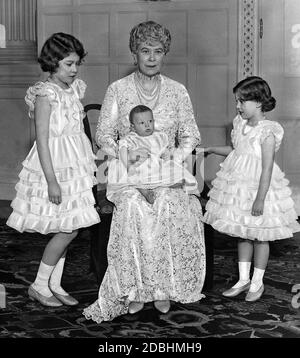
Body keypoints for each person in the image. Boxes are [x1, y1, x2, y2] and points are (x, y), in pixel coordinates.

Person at [83, 20, 206, 322]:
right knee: (136, 206)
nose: (151, 57)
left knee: (167, 201)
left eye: (158, 51)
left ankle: (163, 287)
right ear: (134, 53)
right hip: (129, 172)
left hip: (166, 170)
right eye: (145, 50)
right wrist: (126, 155)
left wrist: (172, 159)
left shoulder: (178, 91)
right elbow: (104, 136)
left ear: (165, 54)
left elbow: (190, 134)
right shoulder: (119, 90)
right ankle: (135, 289)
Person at [6, 32, 100, 307]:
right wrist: (52, 181)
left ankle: (54, 284)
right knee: (68, 229)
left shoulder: (73, 88)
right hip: (55, 166)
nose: (74, 69)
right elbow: (42, 140)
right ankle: (38, 285)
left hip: (74, 163)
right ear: (52, 62)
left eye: (77, 64)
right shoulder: (45, 94)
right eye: (69, 64)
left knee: (69, 224)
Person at [203, 76, 300, 302]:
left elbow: (266, 169)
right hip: (239, 187)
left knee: (260, 236)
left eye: (242, 101)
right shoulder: (240, 125)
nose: (237, 106)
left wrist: (260, 199)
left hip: (259, 188)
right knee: (242, 233)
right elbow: (237, 151)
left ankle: (258, 282)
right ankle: (243, 279)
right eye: (237, 101)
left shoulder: (268, 131)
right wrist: (211, 149)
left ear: (258, 102)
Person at [107, 104, 199, 204]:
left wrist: (169, 159)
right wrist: (129, 166)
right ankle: (145, 191)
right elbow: (122, 153)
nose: (147, 125)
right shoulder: (130, 138)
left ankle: (168, 183)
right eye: (142, 123)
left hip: (155, 165)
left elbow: (164, 152)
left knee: (174, 170)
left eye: (150, 121)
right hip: (138, 165)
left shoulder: (159, 137)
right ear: (133, 127)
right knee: (130, 176)